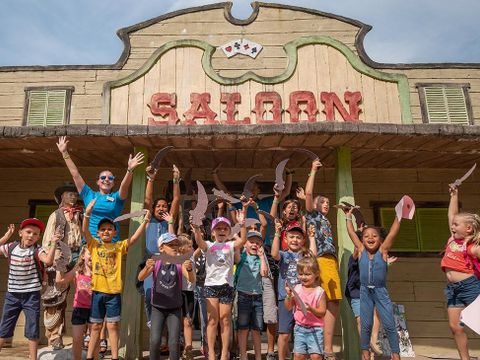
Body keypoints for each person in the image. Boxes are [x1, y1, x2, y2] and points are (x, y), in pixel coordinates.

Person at [83, 199, 150, 360]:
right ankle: (90, 356)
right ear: (98, 233)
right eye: (103, 229)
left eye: (110, 229)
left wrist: (145, 221)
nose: (106, 231)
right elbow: (85, 231)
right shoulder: (94, 245)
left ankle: (114, 357)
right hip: (97, 292)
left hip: (113, 293)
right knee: (95, 327)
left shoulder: (118, 247)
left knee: (113, 326)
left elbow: (134, 238)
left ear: (115, 232)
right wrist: (87, 213)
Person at [56, 136, 144, 243]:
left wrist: (129, 170)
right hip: (91, 242)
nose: (106, 180)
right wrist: (65, 153)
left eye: (110, 178)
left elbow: (124, 186)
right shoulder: (89, 194)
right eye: (103, 177)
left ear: (113, 182)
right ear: (98, 181)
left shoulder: (116, 197)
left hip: (111, 243)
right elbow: (75, 174)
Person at [343, 206, 402, 360]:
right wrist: (348, 217)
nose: (370, 238)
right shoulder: (361, 250)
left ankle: (396, 355)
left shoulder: (383, 251)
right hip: (364, 292)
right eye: (366, 236)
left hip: (380, 291)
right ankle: (365, 355)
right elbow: (351, 233)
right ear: (362, 239)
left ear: (380, 239)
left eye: (374, 236)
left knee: (389, 325)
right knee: (365, 325)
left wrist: (399, 216)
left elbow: (393, 233)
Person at [192, 208, 248, 360]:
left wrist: (242, 224)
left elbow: (242, 241)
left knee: (225, 319)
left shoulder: (230, 245)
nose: (222, 230)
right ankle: (210, 352)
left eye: (225, 228)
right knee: (212, 320)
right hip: (210, 286)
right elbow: (199, 242)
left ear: (229, 232)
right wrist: (196, 228)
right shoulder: (209, 245)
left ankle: (224, 353)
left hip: (226, 287)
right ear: (213, 232)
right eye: (218, 228)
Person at [0, 219, 58, 360]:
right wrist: (7, 236)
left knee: (32, 328)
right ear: (20, 233)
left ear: (38, 237)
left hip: (31, 295)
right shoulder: (11, 247)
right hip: (12, 295)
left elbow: (48, 261)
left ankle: (33, 358)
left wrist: (54, 244)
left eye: (35, 234)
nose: (31, 236)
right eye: (28, 232)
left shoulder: (38, 251)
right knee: (5, 328)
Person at [305, 159, 342, 360]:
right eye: (323, 201)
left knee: (333, 303)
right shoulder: (312, 216)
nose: (326, 204)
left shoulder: (325, 219)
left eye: (328, 202)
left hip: (331, 261)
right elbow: (309, 194)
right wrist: (313, 170)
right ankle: (324, 348)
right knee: (323, 302)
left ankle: (326, 347)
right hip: (320, 260)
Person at [138, 232, 195, 360]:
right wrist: (147, 267)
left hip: (174, 308)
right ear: (161, 248)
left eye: (176, 244)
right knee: (155, 341)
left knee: (174, 342)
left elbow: (191, 279)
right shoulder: (155, 260)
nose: (174, 247)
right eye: (170, 245)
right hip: (157, 308)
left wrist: (190, 269)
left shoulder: (180, 262)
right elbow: (140, 277)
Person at [41, 183, 83, 350]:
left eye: (75, 194)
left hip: (78, 254)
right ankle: (55, 336)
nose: (73, 197)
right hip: (61, 255)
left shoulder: (81, 214)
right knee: (56, 296)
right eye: (69, 194)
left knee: (83, 293)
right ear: (62, 197)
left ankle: (83, 335)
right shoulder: (56, 215)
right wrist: (53, 253)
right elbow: (47, 239)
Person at [442, 185, 480, 360]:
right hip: (453, 289)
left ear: (469, 229)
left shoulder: (472, 247)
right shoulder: (452, 239)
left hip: (470, 287)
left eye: (457, 225)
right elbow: (452, 215)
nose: (452, 226)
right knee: (455, 326)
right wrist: (454, 195)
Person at [271, 220, 316, 360]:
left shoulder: (304, 256)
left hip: (303, 299)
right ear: (286, 238)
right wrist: (277, 233)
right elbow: (273, 254)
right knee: (284, 333)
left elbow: (313, 257)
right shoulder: (284, 255)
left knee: (303, 331)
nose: (295, 240)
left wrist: (312, 237)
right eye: (291, 236)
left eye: (298, 237)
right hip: (286, 297)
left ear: (303, 240)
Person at [142, 165, 180, 327]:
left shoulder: (168, 222)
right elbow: (148, 200)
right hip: (151, 264)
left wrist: (176, 180)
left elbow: (177, 200)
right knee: (149, 293)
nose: (161, 208)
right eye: (158, 206)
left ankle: (170, 337)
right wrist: (151, 179)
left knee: (169, 297)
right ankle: (153, 325)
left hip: (169, 264)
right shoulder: (149, 219)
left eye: (164, 206)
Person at [284, 256, 327, 360]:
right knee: (298, 356)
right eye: (301, 274)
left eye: (307, 274)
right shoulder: (297, 289)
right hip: (299, 328)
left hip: (316, 329)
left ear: (316, 274)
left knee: (315, 356)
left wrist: (311, 309)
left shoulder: (319, 292)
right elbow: (288, 307)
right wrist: (289, 295)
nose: (303, 277)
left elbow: (322, 312)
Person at [235, 230, 268, 360]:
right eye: (251, 242)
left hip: (257, 298)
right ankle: (243, 355)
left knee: (256, 329)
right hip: (243, 296)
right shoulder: (241, 256)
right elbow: (236, 250)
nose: (255, 245)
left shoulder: (261, 258)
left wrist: (261, 257)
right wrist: (237, 236)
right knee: (242, 329)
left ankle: (258, 356)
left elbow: (264, 273)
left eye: (258, 243)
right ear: (245, 244)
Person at [55, 246, 92, 360]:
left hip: (95, 308)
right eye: (90, 253)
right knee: (77, 338)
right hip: (79, 308)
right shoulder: (77, 271)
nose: (92, 256)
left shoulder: (99, 271)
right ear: (83, 256)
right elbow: (60, 280)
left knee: (95, 338)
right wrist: (60, 265)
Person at [178, 234, 196, 360]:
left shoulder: (192, 257)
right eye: (189, 246)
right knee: (177, 321)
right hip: (178, 292)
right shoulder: (178, 258)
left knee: (188, 321)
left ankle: (188, 348)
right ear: (182, 248)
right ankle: (177, 345)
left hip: (189, 292)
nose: (192, 247)